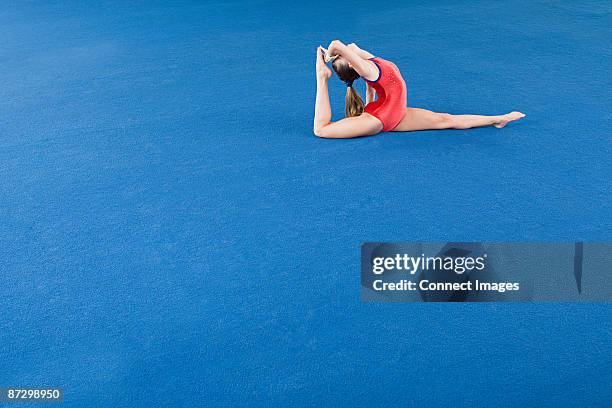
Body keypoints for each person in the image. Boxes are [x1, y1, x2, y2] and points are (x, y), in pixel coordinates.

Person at [314, 40, 525, 138]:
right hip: (378, 121)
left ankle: (498, 119)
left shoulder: (368, 60)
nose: (351, 51)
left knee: (445, 119)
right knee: (321, 130)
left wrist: (339, 55)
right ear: (352, 64)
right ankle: (322, 78)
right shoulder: (368, 69)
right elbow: (337, 44)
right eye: (347, 57)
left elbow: (350, 47)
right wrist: (328, 57)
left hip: (395, 113)